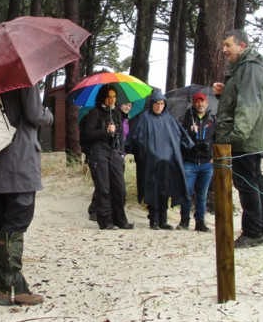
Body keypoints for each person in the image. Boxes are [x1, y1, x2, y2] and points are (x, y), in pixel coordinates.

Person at [0, 85, 53, 306]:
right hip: (20, 159)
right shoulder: (24, 78)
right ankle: (13, 287)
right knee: (16, 220)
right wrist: (49, 114)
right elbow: (35, 114)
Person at [213, 29, 263, 249]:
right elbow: (240, 98)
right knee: (255, 180)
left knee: (247, 184)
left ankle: (253, 233)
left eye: (228, 45)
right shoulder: (245, 67)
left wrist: (236, 136)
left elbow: (249, 104)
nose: (224, 50)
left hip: (244, 139)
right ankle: (262, 229)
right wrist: (223, 95)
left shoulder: (248, 67)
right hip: (249, 137)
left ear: (242, 45)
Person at [126, 89, 194, 230]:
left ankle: (163, 220)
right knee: (152, 191)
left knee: (165, 191)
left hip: (168, 163)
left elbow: (179, 135)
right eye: (156, 104)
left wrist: (189, 144)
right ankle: (154, 220)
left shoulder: (169, 118)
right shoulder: (144, 118)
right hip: (150, 163)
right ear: (152, 104)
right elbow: (134, 138)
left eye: (162, 104)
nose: (159, 106)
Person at [79, 85, 132, 230]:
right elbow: (88, 134)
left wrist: (121, 153)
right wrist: (105, 132)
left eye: (114, 97)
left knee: (119, 188)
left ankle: (120, 219)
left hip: (114, 153)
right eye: (109, 96)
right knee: (104, 188)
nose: (112, 99)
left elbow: (120, 136)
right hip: (98, 153)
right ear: (103, 97)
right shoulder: (94, 113)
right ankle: (106, 221)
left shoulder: (116, 114)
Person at [177, 92, 216, 232]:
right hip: (190, 162)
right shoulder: (187, 119)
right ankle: (184, 221)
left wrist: (213, 156)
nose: (200, 104)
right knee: (187, 192)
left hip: (206, 162)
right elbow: (180, 138)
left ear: (207, 103)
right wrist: (190, 133)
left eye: (202, 101)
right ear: (194, 103)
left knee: (202, 194)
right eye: (197, 102)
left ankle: (200, 222)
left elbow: (216, 139)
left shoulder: (212, 119)